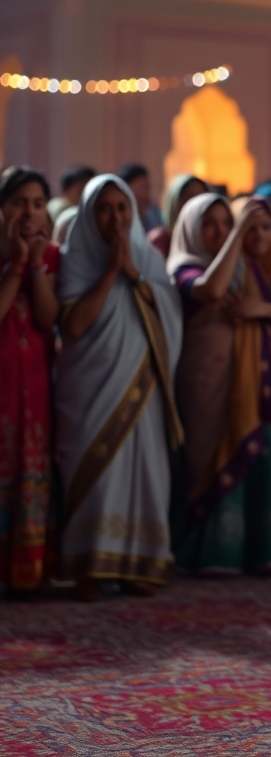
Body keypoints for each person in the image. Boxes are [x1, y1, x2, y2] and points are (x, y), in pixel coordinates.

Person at [169, 194, 271, 575]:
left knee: (270, 452)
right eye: (212, 224)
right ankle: (219, 548)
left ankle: (266, 546)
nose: (256, 235)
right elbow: (212, 291)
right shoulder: (210, 268)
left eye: (266, 227)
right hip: (221, 381)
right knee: (224, 450)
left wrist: (263, 310)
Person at [55, 175, 182, 600]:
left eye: (122, 208)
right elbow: (73, 325)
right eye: (105, 209)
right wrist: (112, 272)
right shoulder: (76, 259)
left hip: (142, 382)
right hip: (90, 386)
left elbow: (169, 317)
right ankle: (88, 564)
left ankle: (136, 561)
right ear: (90, 214)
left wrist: (135, 275)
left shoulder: (147, 258)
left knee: (142, 469)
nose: (115, 218)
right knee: (95, 467)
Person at [0, 167, 59, 595]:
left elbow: (47, 318)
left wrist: (35, 264)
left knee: (31, 466)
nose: (29, 212)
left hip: (36, 382)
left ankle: (27, 574)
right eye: (19, 202)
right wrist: (17, 264)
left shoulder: (53, 257)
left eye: (38, 203)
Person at [147, 174, 208, 259]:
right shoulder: (158, 242)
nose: (198, 204)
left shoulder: (209, 239)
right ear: (173, 202)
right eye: (191, 197)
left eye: (202, 198)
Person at [115, 163, 163, 233]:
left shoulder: (155, 217)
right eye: (144, 186)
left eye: (148, 187)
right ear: (127, 188)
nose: (147, 192)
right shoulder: (118, 220)